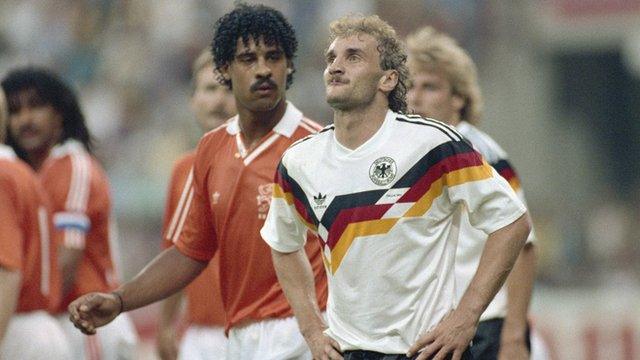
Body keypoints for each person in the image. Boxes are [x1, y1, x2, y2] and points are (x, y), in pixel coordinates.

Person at [261, 15, 531, 360]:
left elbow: (512, 222)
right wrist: (312, 329)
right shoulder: (299, 162)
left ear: (388, 79)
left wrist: (466, 318)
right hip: (348, 352)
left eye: (353, 57)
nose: (336, 67)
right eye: (332, 58)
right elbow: (283, 244)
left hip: (426, 350)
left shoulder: (434, 144)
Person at [68, 4, 328, 359]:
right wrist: (119, 300)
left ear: (290, 65)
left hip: (308, 335)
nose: (264, 69)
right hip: (240, 337)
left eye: (274, 56)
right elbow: (190, 252)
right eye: (248, 59)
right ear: (225, 69)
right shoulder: (212, 148)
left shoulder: (317, 146)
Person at [406, 26, 537, 360]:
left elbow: (524, 245)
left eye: (430, 86)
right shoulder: (406, 156)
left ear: (459, 98)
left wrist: (513, 336)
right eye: (410, 86)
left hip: (483, 326)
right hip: (429, 326)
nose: (416, 97)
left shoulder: (482, 153)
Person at [2, 67, 138, 360]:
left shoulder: (73, 166)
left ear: (60, 114)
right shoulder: (28, 174)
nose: (25, 119)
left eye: (36, 106)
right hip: (60, 319)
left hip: (86, 320)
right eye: (15, 111)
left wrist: (27, 312)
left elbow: (67, 255)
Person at [156, 48, 236, 360]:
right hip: (201, 334)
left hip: (259, 328)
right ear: (193, 101)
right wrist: (165, 324)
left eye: (228, 88)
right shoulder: (182, 171)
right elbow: (175, 251)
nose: (219, 100)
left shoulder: (271, 163)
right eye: (210, 89)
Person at [0, 88, 70, 358]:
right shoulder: (22, 172)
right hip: (37, 329)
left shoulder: (3, 178)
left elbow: (7, 272)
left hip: (14, 330)